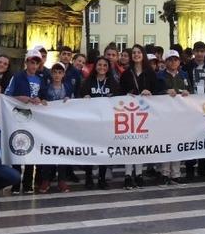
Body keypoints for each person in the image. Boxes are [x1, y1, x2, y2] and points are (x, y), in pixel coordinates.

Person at [5, 49, 49, 194]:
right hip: (18, 117)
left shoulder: (40, 80)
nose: (34, 65)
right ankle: (16, 184)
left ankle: (28, 183)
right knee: (18, 148)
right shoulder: (17, 77)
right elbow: (7, 95)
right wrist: (20, 98)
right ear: (26, 62)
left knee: (31, 149)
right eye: (31, 62)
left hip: (34, 119)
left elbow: (44, 97)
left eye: (36, 63)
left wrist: (40, 100)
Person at [80, 56, 121, 189]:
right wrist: (84, 97)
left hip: (106, 123)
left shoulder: (113, 83)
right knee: (90, 150)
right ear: (95, 66)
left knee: (104, 151)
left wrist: (113, 98)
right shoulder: (88, 82)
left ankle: (102, 178)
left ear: (108, 68)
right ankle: (88, 177)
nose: (102, 67)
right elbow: (79, 98)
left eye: (105, 65)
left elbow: (119, 100)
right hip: (91, 122)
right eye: (99, 65)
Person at [119, 44, 157, 188]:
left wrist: (150, 93)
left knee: (141, 143)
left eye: (138, 52)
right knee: (129, 143)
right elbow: (120, 91)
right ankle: (128, 174)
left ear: (143, 55)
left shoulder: (150, 73)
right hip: (129, 113)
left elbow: (157, 90)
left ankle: (139, 173)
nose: (136, 55)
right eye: (133, 53)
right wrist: (125, 95)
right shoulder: (126, 73)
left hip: (146, 114)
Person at [38, 62, 73, 193]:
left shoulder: (68, 88)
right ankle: (46, 179)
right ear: (51, 74)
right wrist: (41, 102)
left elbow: (75, 102)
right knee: (49, 151)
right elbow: (39, 101)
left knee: (63, 152)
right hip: (48, 125)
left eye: (60, 72)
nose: (57, 75)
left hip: (64, 125)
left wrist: (70, 101)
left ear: (63, 74)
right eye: (55, 72)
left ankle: (62, 180)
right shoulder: (45, 88)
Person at [156, 50, 189, 185]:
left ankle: (176, 173)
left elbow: (190, 90)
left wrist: (188, 92)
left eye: (175, 59)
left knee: (177, 144)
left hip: (180, 116)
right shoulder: (159, 76)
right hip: (164, 116)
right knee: (165, 144)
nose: (173, 62)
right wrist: (165, 92)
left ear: (179, 61)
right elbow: (155, 92)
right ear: (165, 62)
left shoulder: (184, 75)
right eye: (170, 59)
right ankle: (164, 173)